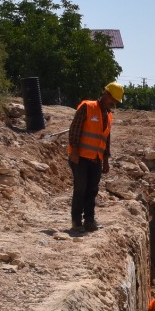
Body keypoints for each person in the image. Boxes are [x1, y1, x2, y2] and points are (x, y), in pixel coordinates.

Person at [67, 81, 124, 232]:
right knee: (81, 189)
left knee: (92, 190)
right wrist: (74, 151)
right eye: (113, 100)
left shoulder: (108, 116)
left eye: (116, 102)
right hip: (80, 157)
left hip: (96, 158)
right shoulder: (88, 107)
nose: (114, 104)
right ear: (106, 94)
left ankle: (89, 220)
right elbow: (74, 130)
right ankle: (76, 221)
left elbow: (106, 139)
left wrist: (105, 160)